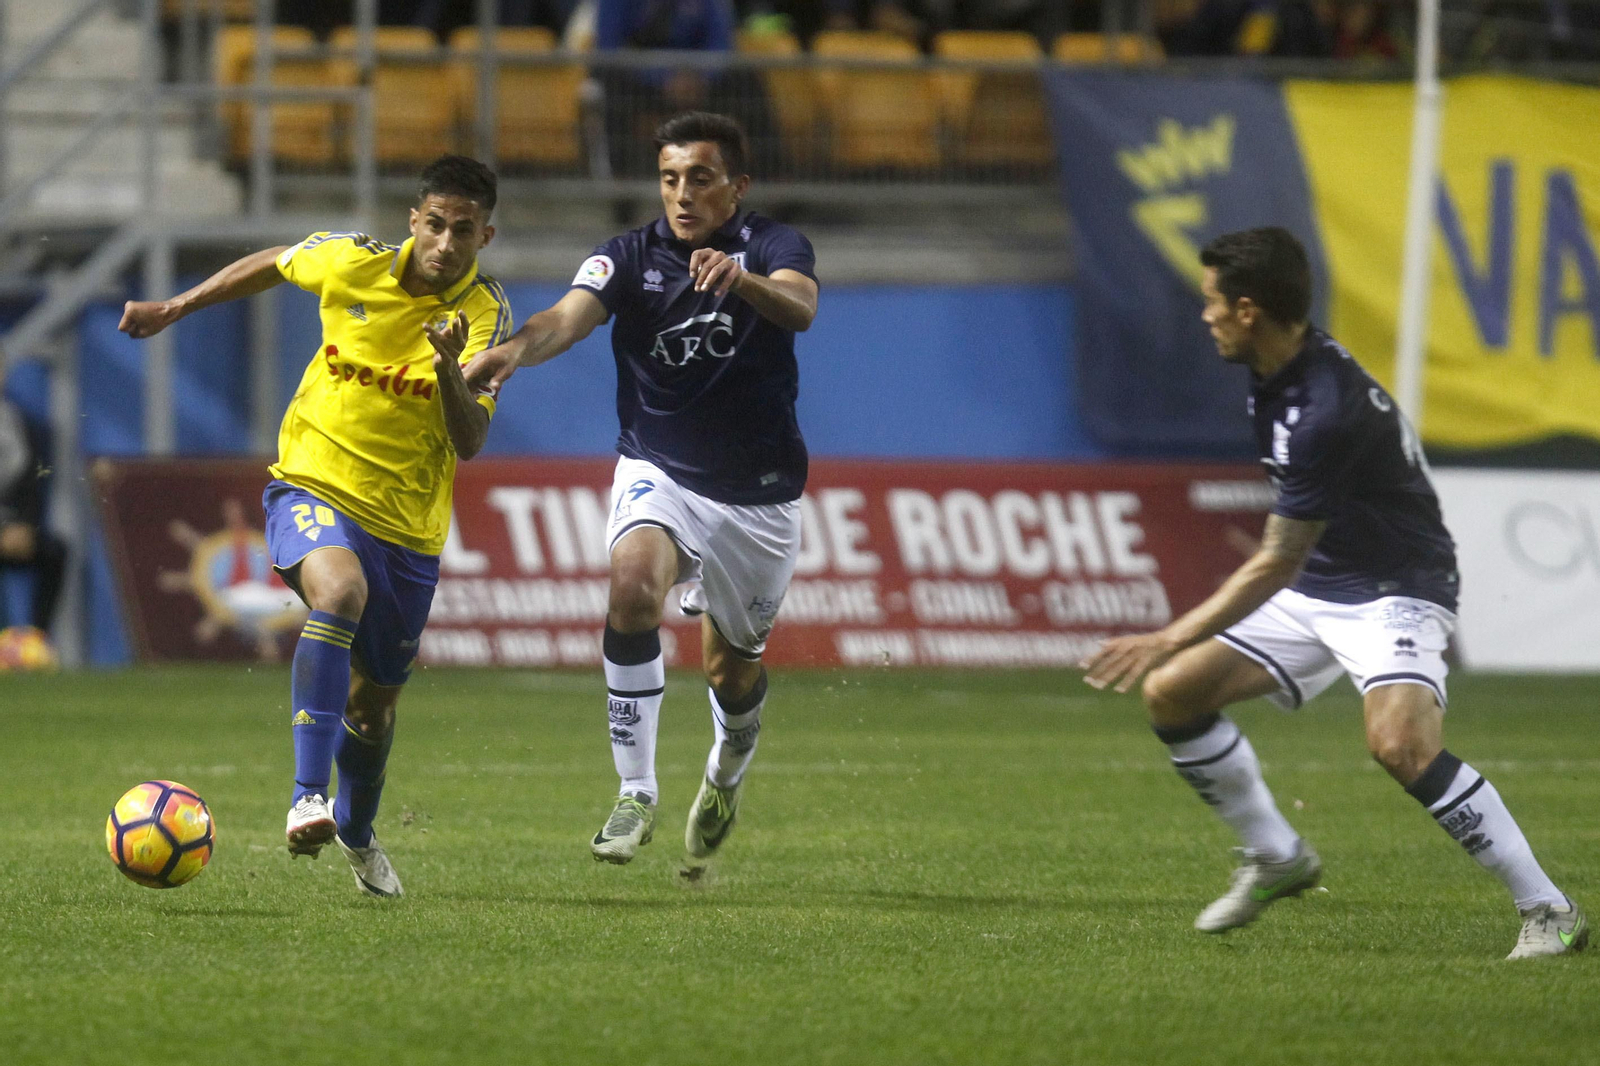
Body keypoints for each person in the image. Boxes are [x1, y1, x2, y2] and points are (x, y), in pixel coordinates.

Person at [1080, 227, 1586, 960]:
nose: (1205, 316)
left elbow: (1275, 561)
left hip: (1394, 587)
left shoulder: (1322, 410)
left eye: (1211, 301)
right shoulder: (1279, 367)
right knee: (1174, 694)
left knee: (1400, 745)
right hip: (1325, 578)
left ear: (1249, 309)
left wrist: (1168, 632)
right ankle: (1279, 857)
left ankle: (1551, 910)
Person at [118, 155, 511, 898]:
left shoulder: (484, 313)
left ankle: (358, 833)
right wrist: (177, 307)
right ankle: (306, 794)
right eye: (436, 224)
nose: (446, 242)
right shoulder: (351, 262)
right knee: (338, 590)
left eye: (464, 230)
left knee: (376, 705)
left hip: (409, 526)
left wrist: (453, 368)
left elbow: (470, 440)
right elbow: (274, 262)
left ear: (484, 235)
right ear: (414, 220)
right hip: (312, 483)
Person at [461, 111, 817, 878]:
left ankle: (726, 769)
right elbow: (566, 318)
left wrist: (742, 280)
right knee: (630, 590)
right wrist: (512, 353)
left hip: (760, 496)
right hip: (660, 469)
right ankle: (636, 790)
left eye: (699, 178)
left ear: (737, 186)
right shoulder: (629, 256)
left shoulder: (774, 245)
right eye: (668, 178)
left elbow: (801, 307)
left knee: (733, 669)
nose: (681, 194)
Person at [0, 351, 67, 655]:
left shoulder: (14, 419)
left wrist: (23, 524)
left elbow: (32, 480)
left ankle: (35, 643)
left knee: (55, 551)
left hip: (11, 525)